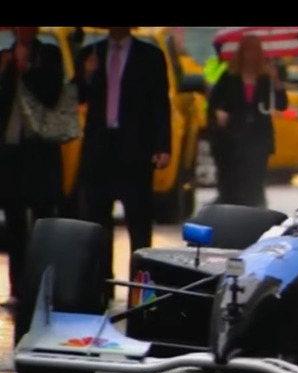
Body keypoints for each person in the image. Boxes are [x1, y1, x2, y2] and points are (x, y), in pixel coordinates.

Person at [75, 26, 172, 295]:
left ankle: (139, 290)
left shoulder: (150, 55)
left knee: (139, 226)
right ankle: (100, 287)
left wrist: (162, 146)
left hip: (135, 152)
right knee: (97, 226)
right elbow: (76, 96)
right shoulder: (90, 53)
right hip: (99, 151)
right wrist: (86, 75)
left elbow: (160, 103)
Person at [0, 26, 65, 306]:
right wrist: (5, 72)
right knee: (14, 223)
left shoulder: (49, 55)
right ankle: (17, 286)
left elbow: (50, 94)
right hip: (11, 153)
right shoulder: (4, 56)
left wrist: (25, 69)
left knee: (42, 220)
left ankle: (43, 284)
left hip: (39, 153)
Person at [207, 34, 288, 208]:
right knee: (232, 183)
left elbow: (281, 105)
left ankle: (253, 211)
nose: (250, 55)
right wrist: (220, 115)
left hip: (258, 138)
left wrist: (276, 82)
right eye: (247, 50)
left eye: (254, 51)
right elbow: (214, 104)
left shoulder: (266, 79)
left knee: (254, 182)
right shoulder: (229, 77)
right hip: (232, 138)